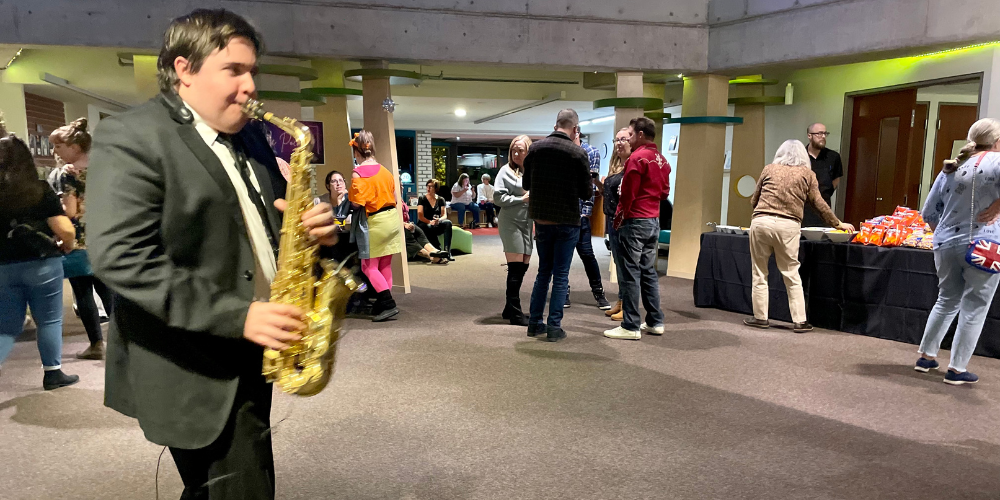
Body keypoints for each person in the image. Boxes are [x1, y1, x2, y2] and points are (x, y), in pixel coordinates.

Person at [87, 10, 340, 500]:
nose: (249, 86)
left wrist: (315, 233)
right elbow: (120, 258)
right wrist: (238, 315)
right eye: (234, 70)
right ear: (184, 68)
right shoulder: (132, 136)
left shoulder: (249, 133)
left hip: (255, 345)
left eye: (253, 72)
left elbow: (260, 229)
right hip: (193, 359)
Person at [915, 118, 1000, 385]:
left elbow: (928, 213)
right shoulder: (996, 162)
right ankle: (957, 368)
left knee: (946, 299)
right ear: (997, 141)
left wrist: (946, 231)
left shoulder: (951, 168)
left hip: (945, 243)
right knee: (974, 306)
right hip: (984, 245)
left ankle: (926, 356)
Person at [741, 140, 854, 334]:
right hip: (789, 225)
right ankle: (800, 321)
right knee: (791, 273)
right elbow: (819, 204)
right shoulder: (807, 174)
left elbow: (754, 199)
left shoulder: (769, 169)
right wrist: (838, 223)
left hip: (761, 222)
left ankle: (760, 318)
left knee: (759, 273)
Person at [0, 134, 79, 389]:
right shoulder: (39, 189)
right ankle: (53, 373)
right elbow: (64, 230)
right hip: (41, 262)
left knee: (6, 324)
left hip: (3, 266)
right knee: (49, 320)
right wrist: (66, 246)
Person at [523, 110, 592, 342]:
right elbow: (586, 192)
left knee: (543, 272)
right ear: (575, 129)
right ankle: (554, 327)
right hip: (567, 221)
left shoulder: (535, 148)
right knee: (561, 275)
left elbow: (526, 183)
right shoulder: (578, 152)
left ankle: (534, 324)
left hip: (541, 220)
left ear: (555, 125)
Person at [50, 118, 114, 360]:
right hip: (104, 235)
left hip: (80, 239)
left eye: (58, 146)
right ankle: (124, 342)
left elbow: (70, 211)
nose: (55, 151)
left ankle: (97, 344)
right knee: (107, 289)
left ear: (74, 148)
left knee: (83, 290)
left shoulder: (69, 175)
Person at [604, 117, 671, 341]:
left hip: (635, 221)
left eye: (630, 135)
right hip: (653, 221)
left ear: (640, 135)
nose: (629, 139)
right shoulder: (661, 159)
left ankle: (630, 325)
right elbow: (664, 193)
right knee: (649, 272)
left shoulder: (637, 158)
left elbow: (628, 194)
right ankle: (654, 320)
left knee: (630, 274)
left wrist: (618, 219)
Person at [348, 130, 403, 322]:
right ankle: (383, 301)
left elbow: (357, 204)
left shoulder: (358, 173)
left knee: (368, 267)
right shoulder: (385, 171)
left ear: (357, 151)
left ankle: (387, 303)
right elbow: (395, 198)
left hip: (375, 222)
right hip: (391, 219)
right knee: (384, 264)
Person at [566, 138, 611, 310]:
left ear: (576, 131)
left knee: (587, 254)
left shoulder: (590, 152)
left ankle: (599, 293)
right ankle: (564, 292)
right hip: (562, 215)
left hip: (580, 215)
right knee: (563, 257)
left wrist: (586, 212)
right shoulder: (561, 150)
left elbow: (591, 184)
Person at [494, 135, 533, 326]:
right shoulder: (505, 171)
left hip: (527, 223)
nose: (516, 153)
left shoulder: (532, 171)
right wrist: (522, 199)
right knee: (516, 268)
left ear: (529, 151)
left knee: (524, 264)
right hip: (510, 222)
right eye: (513, 150)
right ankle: (516, 313)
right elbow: (498, 198)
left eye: (520, 150)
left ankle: (509, 307)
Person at [601, 128, 631, 321]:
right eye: (616, 140)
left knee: (626, 266)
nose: (619, 143)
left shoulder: (632, 165)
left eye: (623, 139)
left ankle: (628, 306)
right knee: (619, 265)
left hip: (625, 221)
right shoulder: (616, 165)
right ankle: (620, 301)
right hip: (611, 219)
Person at [801, 123, 844, 227]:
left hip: (824, 209)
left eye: (825, 133)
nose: (823, 137)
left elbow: (836, 179)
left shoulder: (833, 157)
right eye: (819, 134)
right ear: (809, 135)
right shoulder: (800, 156)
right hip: (802, 208)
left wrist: (825, 192)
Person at [416, 179, 454, 259]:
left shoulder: (441, 199)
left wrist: (439, 220)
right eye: (427, 186)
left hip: (436, 222)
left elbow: (444, 215)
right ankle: (437, 249)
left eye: (431, 186)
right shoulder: (422, 198)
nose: (428, 188)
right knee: (428, 227)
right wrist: (430, 222)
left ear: (436, 188)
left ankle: (447, 251)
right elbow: (420, 216)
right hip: (425, 223)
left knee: (448, 223)